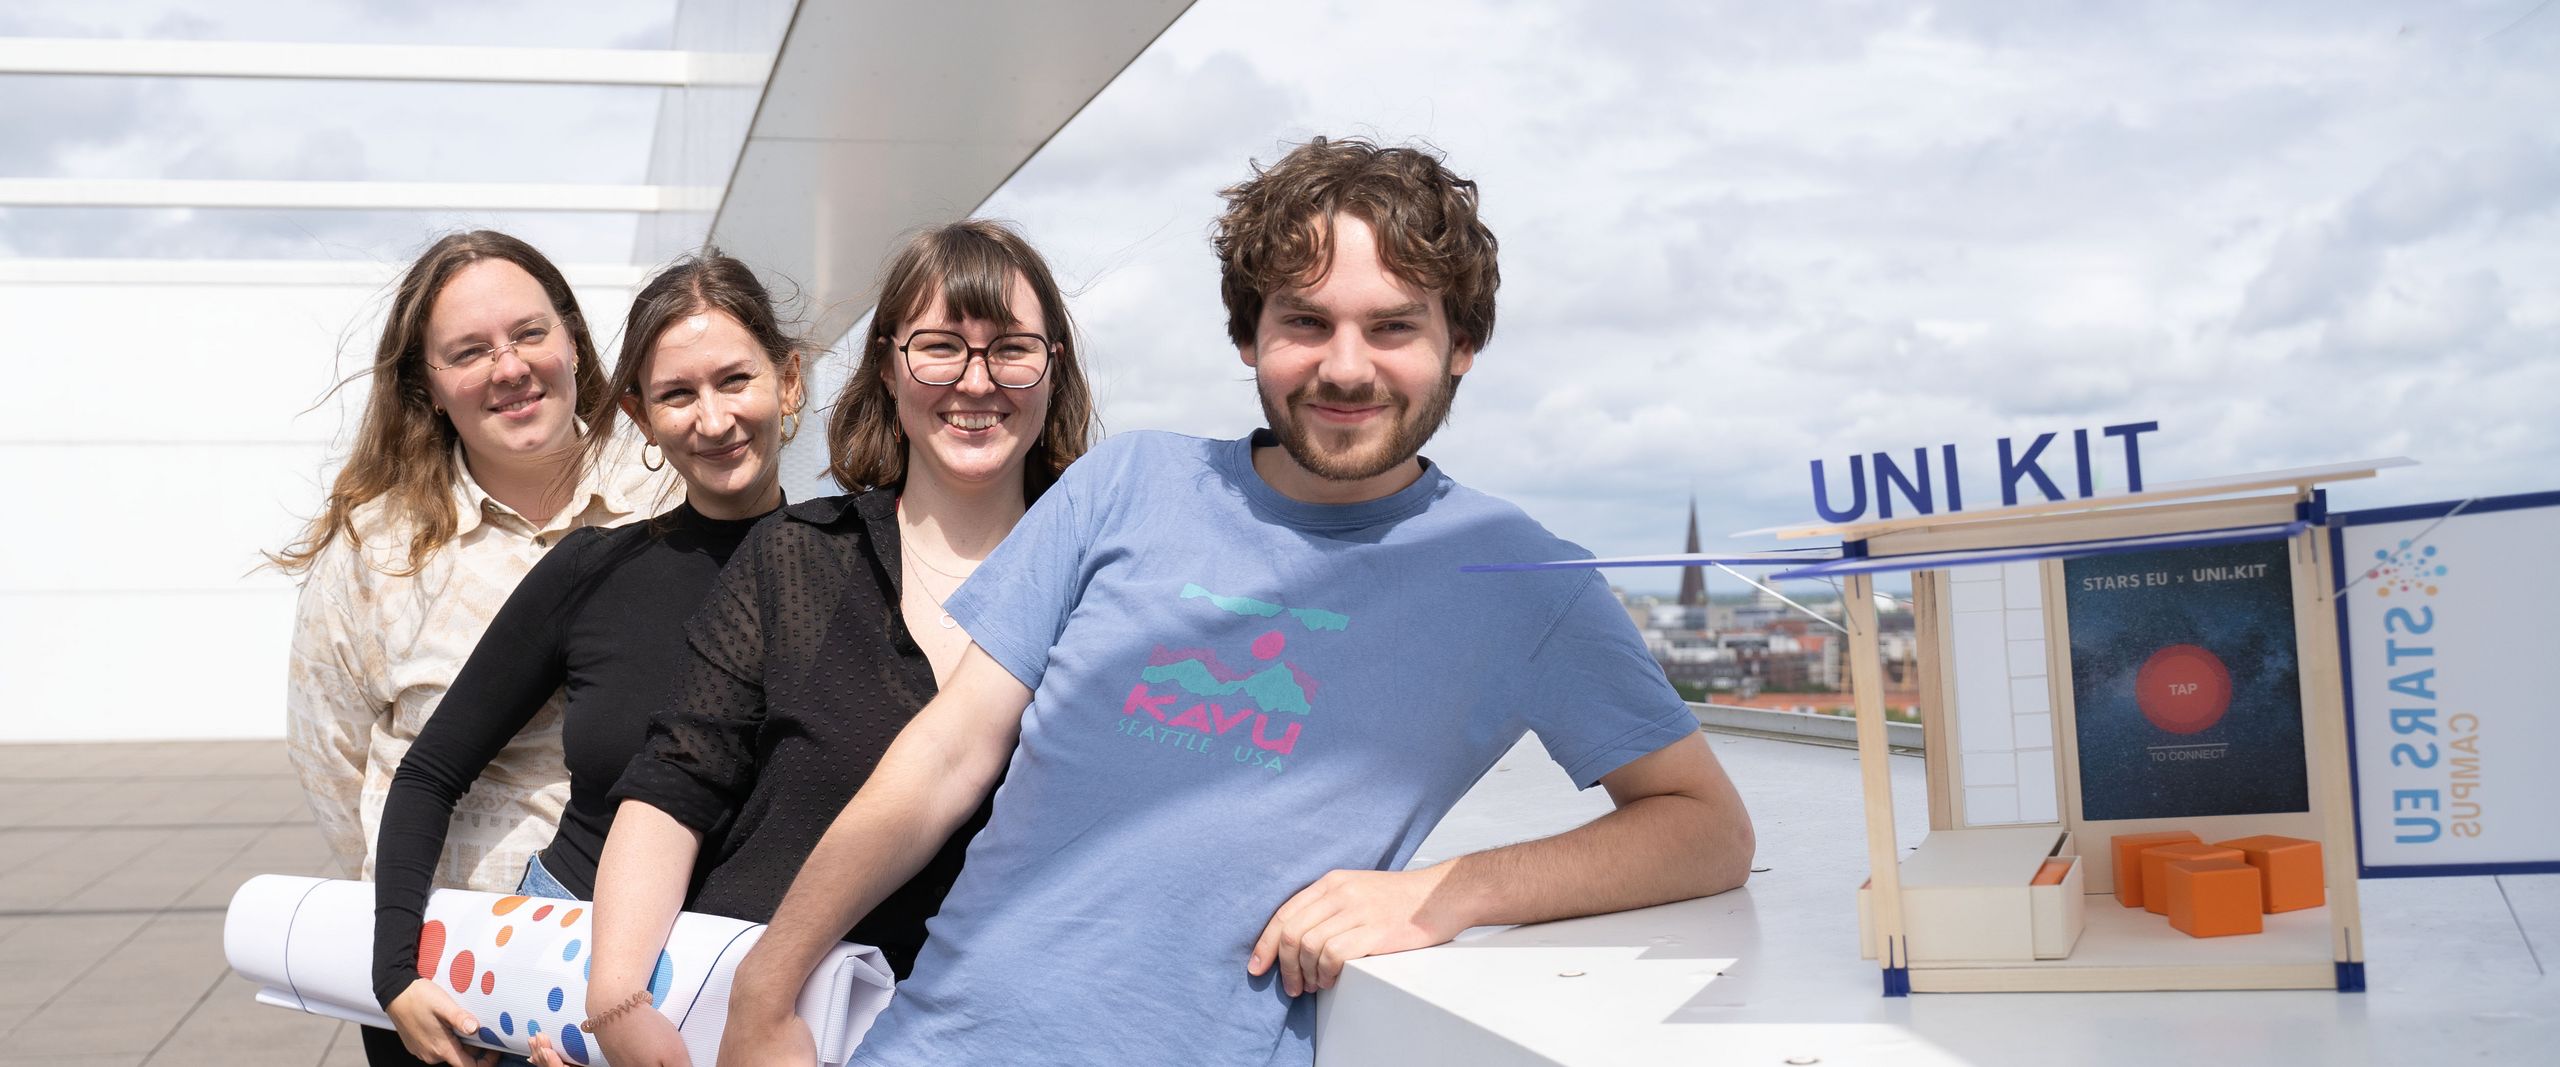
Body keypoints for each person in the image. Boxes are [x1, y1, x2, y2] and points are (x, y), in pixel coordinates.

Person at [715, 137, 1758, 1066]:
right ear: (1250, 335)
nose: (1346, 367)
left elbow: (1704, 827)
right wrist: (768, 988)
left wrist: (1440, 894)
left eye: (1394, 326)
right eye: (1305, 322)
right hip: (936, 1036)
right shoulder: (1123, 485)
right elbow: (946, 753)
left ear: (1462, 344)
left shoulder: (1522, 575)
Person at [521, 220, 1098, 1067]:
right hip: (750, 1025)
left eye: (1010, 348)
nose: (976, 381)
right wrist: (616, 999)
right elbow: (675, 784)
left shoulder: (1103, 582)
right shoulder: (796, 556)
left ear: (1053, 364)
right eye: (939, 347)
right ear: (889, 366)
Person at [364, 251, 807, 1067]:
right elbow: (428, 773)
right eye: (676, 393)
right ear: (639, 415)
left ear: (790, 380)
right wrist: (393, 972)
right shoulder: (592, 570)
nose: (711, 420)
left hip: (770, 978)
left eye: (734, 380)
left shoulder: (860, 562)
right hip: (569, 970)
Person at [276, 230, 674, 1067]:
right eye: (470, 351)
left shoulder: (671, 497)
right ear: (428, 385)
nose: (509, 367)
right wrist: (408, 956)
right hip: (438, 993)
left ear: (572, 337)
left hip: (639, 982)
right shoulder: (373, 552)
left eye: (530, 333)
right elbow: (337, 769)